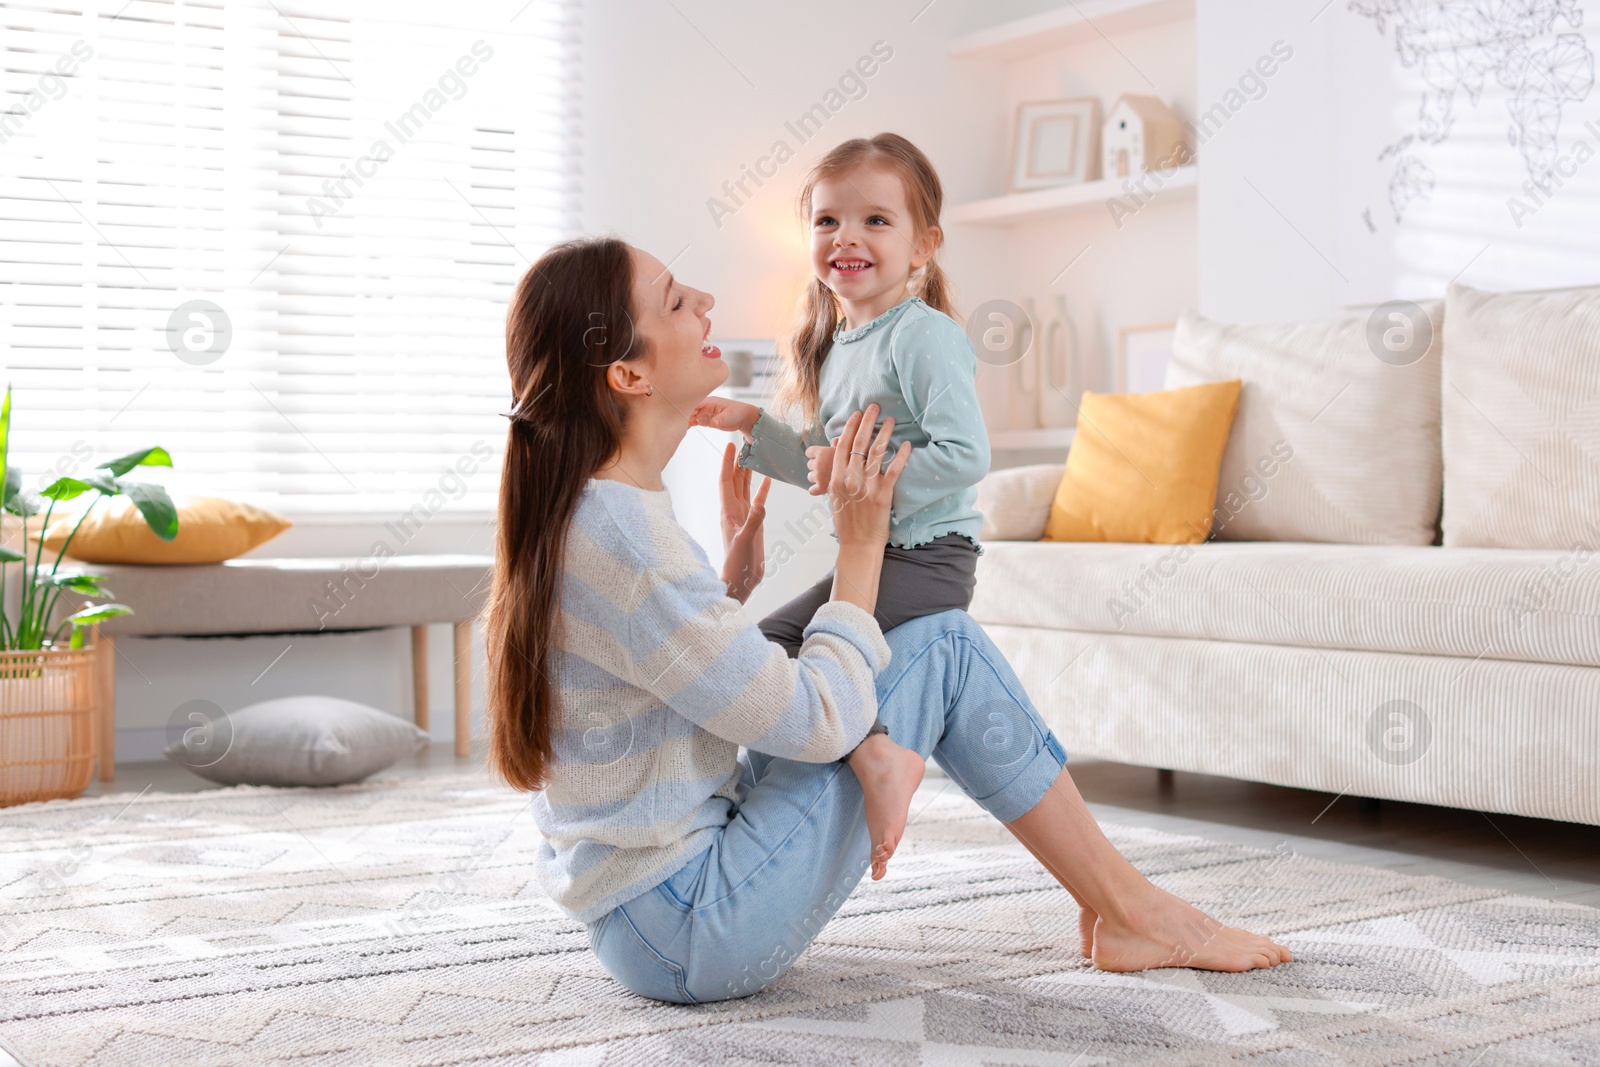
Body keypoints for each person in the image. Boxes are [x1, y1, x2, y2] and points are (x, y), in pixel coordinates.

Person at [483, 235, 1292, 1006]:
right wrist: (861, 541)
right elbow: (816, 719)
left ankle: (1112, 898)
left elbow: (688, 689)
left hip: (648, 919)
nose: (705, 300)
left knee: (919, 651)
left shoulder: (600, 514)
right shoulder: (627, 536)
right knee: (942, 642)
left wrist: (730, 583)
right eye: (673, 300)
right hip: (693, 927)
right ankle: (1132, 910)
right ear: (626, 374)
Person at [693, 132, 987, 876]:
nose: (846, 236)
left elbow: (965, 458)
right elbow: (827, 469)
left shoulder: (926, 339)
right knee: (763, 648)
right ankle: (870, 749)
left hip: (927, 558)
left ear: (924, 245)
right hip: (875, 556)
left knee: (785, 648)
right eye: (827, 221)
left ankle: (880, 754)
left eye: (876, 221)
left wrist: (868, 469)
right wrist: (754, 427)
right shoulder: (838, 345)